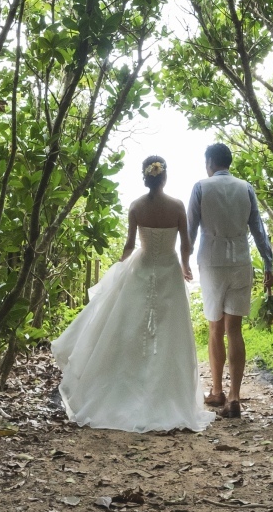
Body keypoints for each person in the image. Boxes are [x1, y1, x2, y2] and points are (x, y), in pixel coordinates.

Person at [51, 156, 215, 433]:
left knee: (130, 329)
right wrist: (186, 267)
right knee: (168, 333)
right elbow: (185, 244)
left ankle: (127, 387)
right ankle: (169, 395)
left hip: (141, 269)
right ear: (164, 177)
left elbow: (129, 244)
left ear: (146, 177)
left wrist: (120, 268)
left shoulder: (136, 206)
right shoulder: (176, 206)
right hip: (168, 271)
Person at [188, 142, 273, 419]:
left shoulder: (201, 187)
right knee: (234, 330)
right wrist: (269, 265)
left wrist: (183, 260)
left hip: (212, 262)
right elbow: (259, 230)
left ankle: (216, 391)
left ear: (210, 162)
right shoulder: (246, 188)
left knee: (215, 329)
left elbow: (190, 229)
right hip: (241, 260)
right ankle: (235, 396)